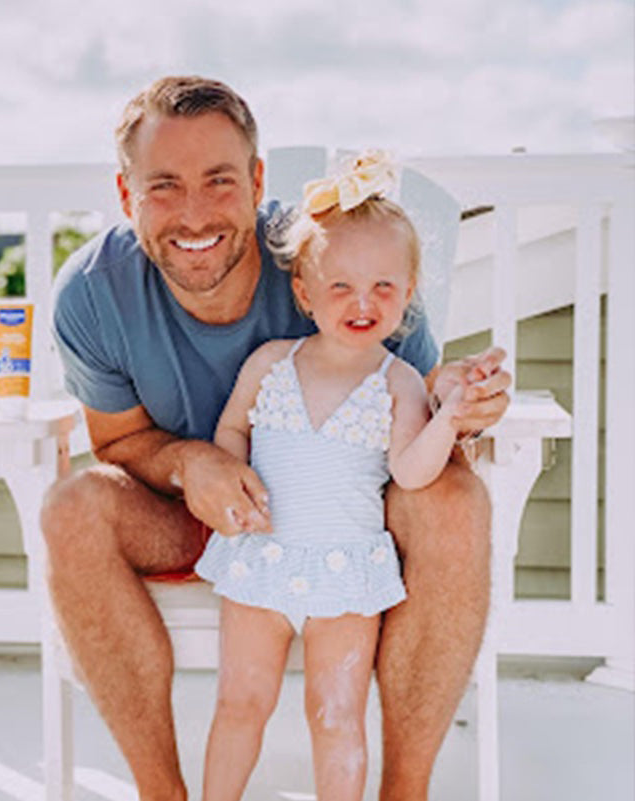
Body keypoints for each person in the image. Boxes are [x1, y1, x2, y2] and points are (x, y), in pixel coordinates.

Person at [43, 75, 510, 801]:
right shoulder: (93, 294)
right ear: (126, 192)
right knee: (71, 508)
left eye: (219, 180)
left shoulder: (337, 254)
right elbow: (118, 442)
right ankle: (164, 794)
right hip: (189, 514)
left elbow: (416, 385)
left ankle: (404, 793)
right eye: (164, 185)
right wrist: (192, 461)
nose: (194, 212)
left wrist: (460, 397)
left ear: (258, 180)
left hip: (346, 523)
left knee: (457, 500)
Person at [195, 151, 464, 801]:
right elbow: (231, 430)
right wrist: (231, 475)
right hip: (260, 559)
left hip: (346, 571)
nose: (362, 303)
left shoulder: (397, 382)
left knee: (337, 714)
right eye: (340, 286)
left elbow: (409, 468)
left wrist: (449, 415)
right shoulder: (269, 363)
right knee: (240, 702)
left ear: (407, 293)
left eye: (383, 287)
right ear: (305, 292)